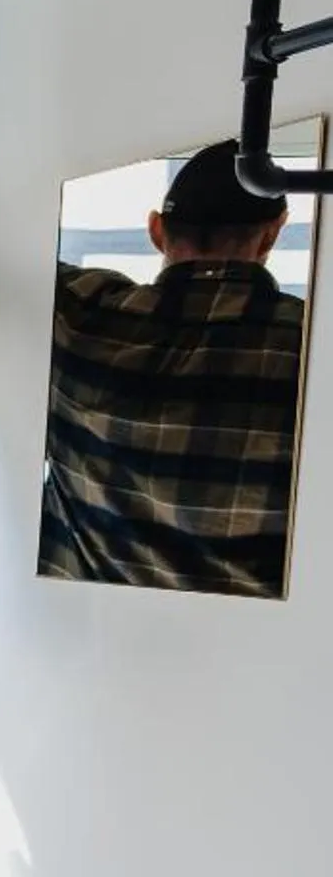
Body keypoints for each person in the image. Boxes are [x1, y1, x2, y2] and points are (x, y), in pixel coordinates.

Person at [39, 141, 305, 598]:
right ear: (272, 234)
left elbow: (7, 247)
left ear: (157, 230)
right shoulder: (308, 348)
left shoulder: (77, 317)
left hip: (82, 640)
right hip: (260, 656)